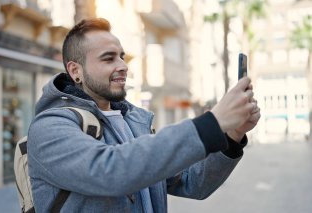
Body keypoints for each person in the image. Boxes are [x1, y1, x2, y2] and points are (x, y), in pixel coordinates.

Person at [27, 18, 261, 212]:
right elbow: (112, 171)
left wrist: (233, 134)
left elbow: (193, 183)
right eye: (108, 58)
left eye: (121, 56)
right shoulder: (50, 126)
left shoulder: (134, 121)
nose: (122, 65)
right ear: (75, 70)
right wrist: (213, 123)